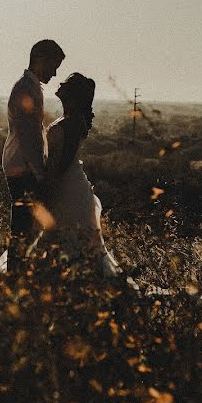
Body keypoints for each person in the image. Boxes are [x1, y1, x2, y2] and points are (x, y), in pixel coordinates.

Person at [41, 73, 123, 277]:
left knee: (66, 236)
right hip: (66, 182)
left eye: (66, 83)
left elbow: (64, 161)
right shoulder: (68, 119)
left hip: (67, 187)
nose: (60, 83)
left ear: (73, 95)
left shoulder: (74, 122)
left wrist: (48, 186)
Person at [1, 39, 65, 275]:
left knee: (24, 225)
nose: (55, 73)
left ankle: (18, 273)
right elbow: (28, 137)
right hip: (21, 166)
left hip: (22, 163)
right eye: (53, 65)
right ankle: (14, 276)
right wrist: (40, 172)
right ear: (39, 59)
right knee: (22, 225)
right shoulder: (25, 89)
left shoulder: (30, 86)